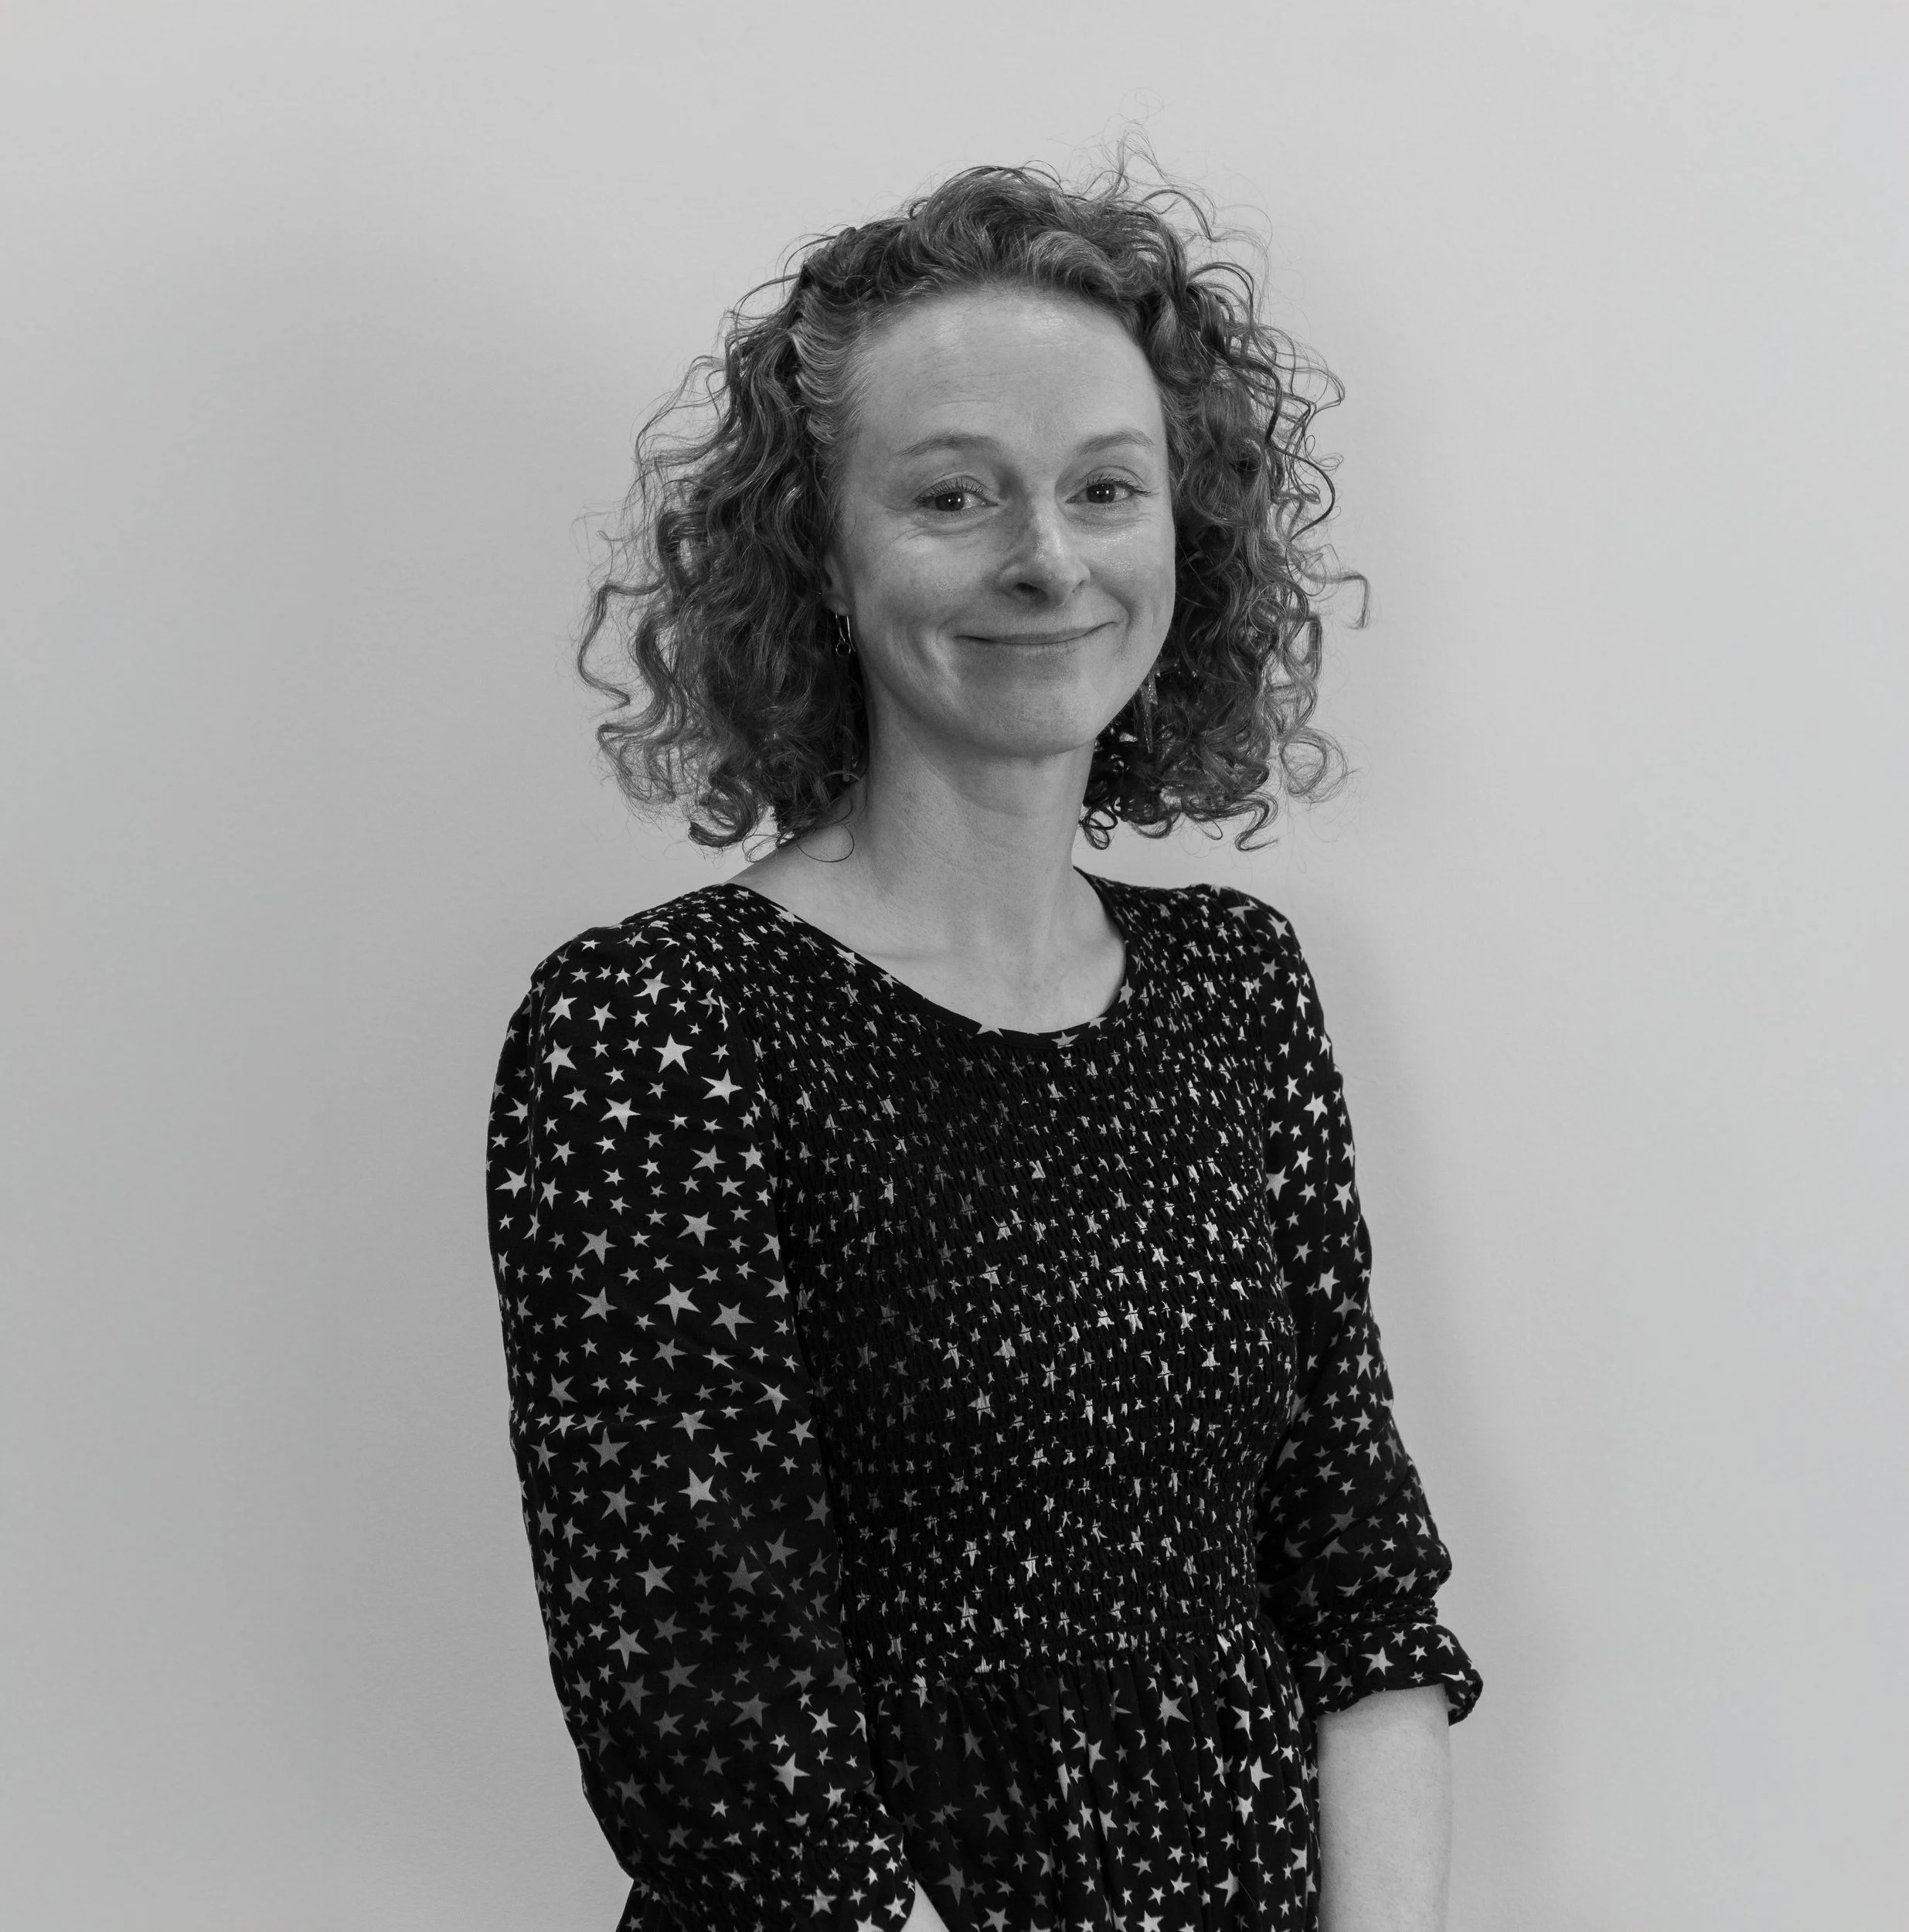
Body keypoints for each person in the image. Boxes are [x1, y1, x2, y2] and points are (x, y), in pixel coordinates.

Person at [485, 150, 1481, 1932]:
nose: (1046, 558)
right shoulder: (655, 1030)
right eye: (953, 495)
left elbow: (1358, 1581)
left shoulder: (1237, 987)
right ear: (819, 552)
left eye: (1105, 487)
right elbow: (717, 1746)